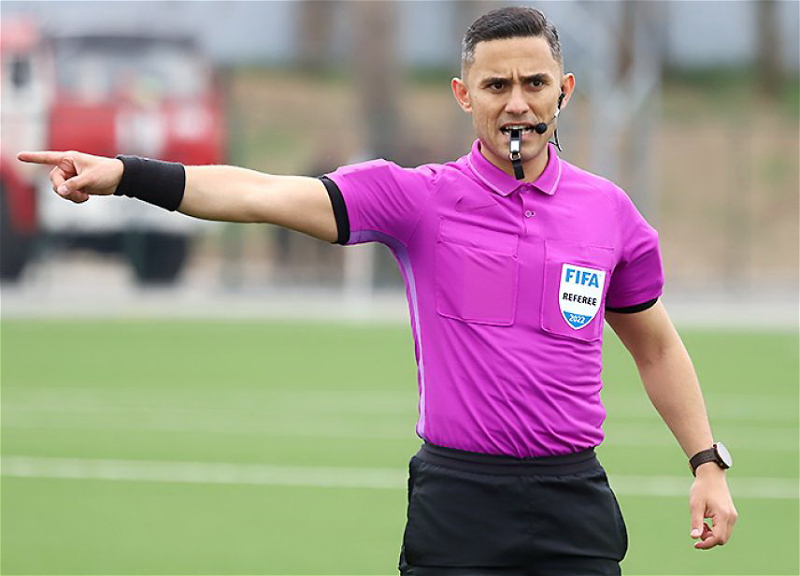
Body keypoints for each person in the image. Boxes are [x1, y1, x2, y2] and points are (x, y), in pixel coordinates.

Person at [17, 6, 737, 575]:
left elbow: (656, 347)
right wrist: (125, 174)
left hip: (574, 503)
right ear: (464, 96)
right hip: (460, 503)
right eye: (496, 86)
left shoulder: (609, 212)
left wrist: (706, 462)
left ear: (564, 90)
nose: (517, 103)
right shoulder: (418, 198)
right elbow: (261, 193)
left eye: (534, 83)